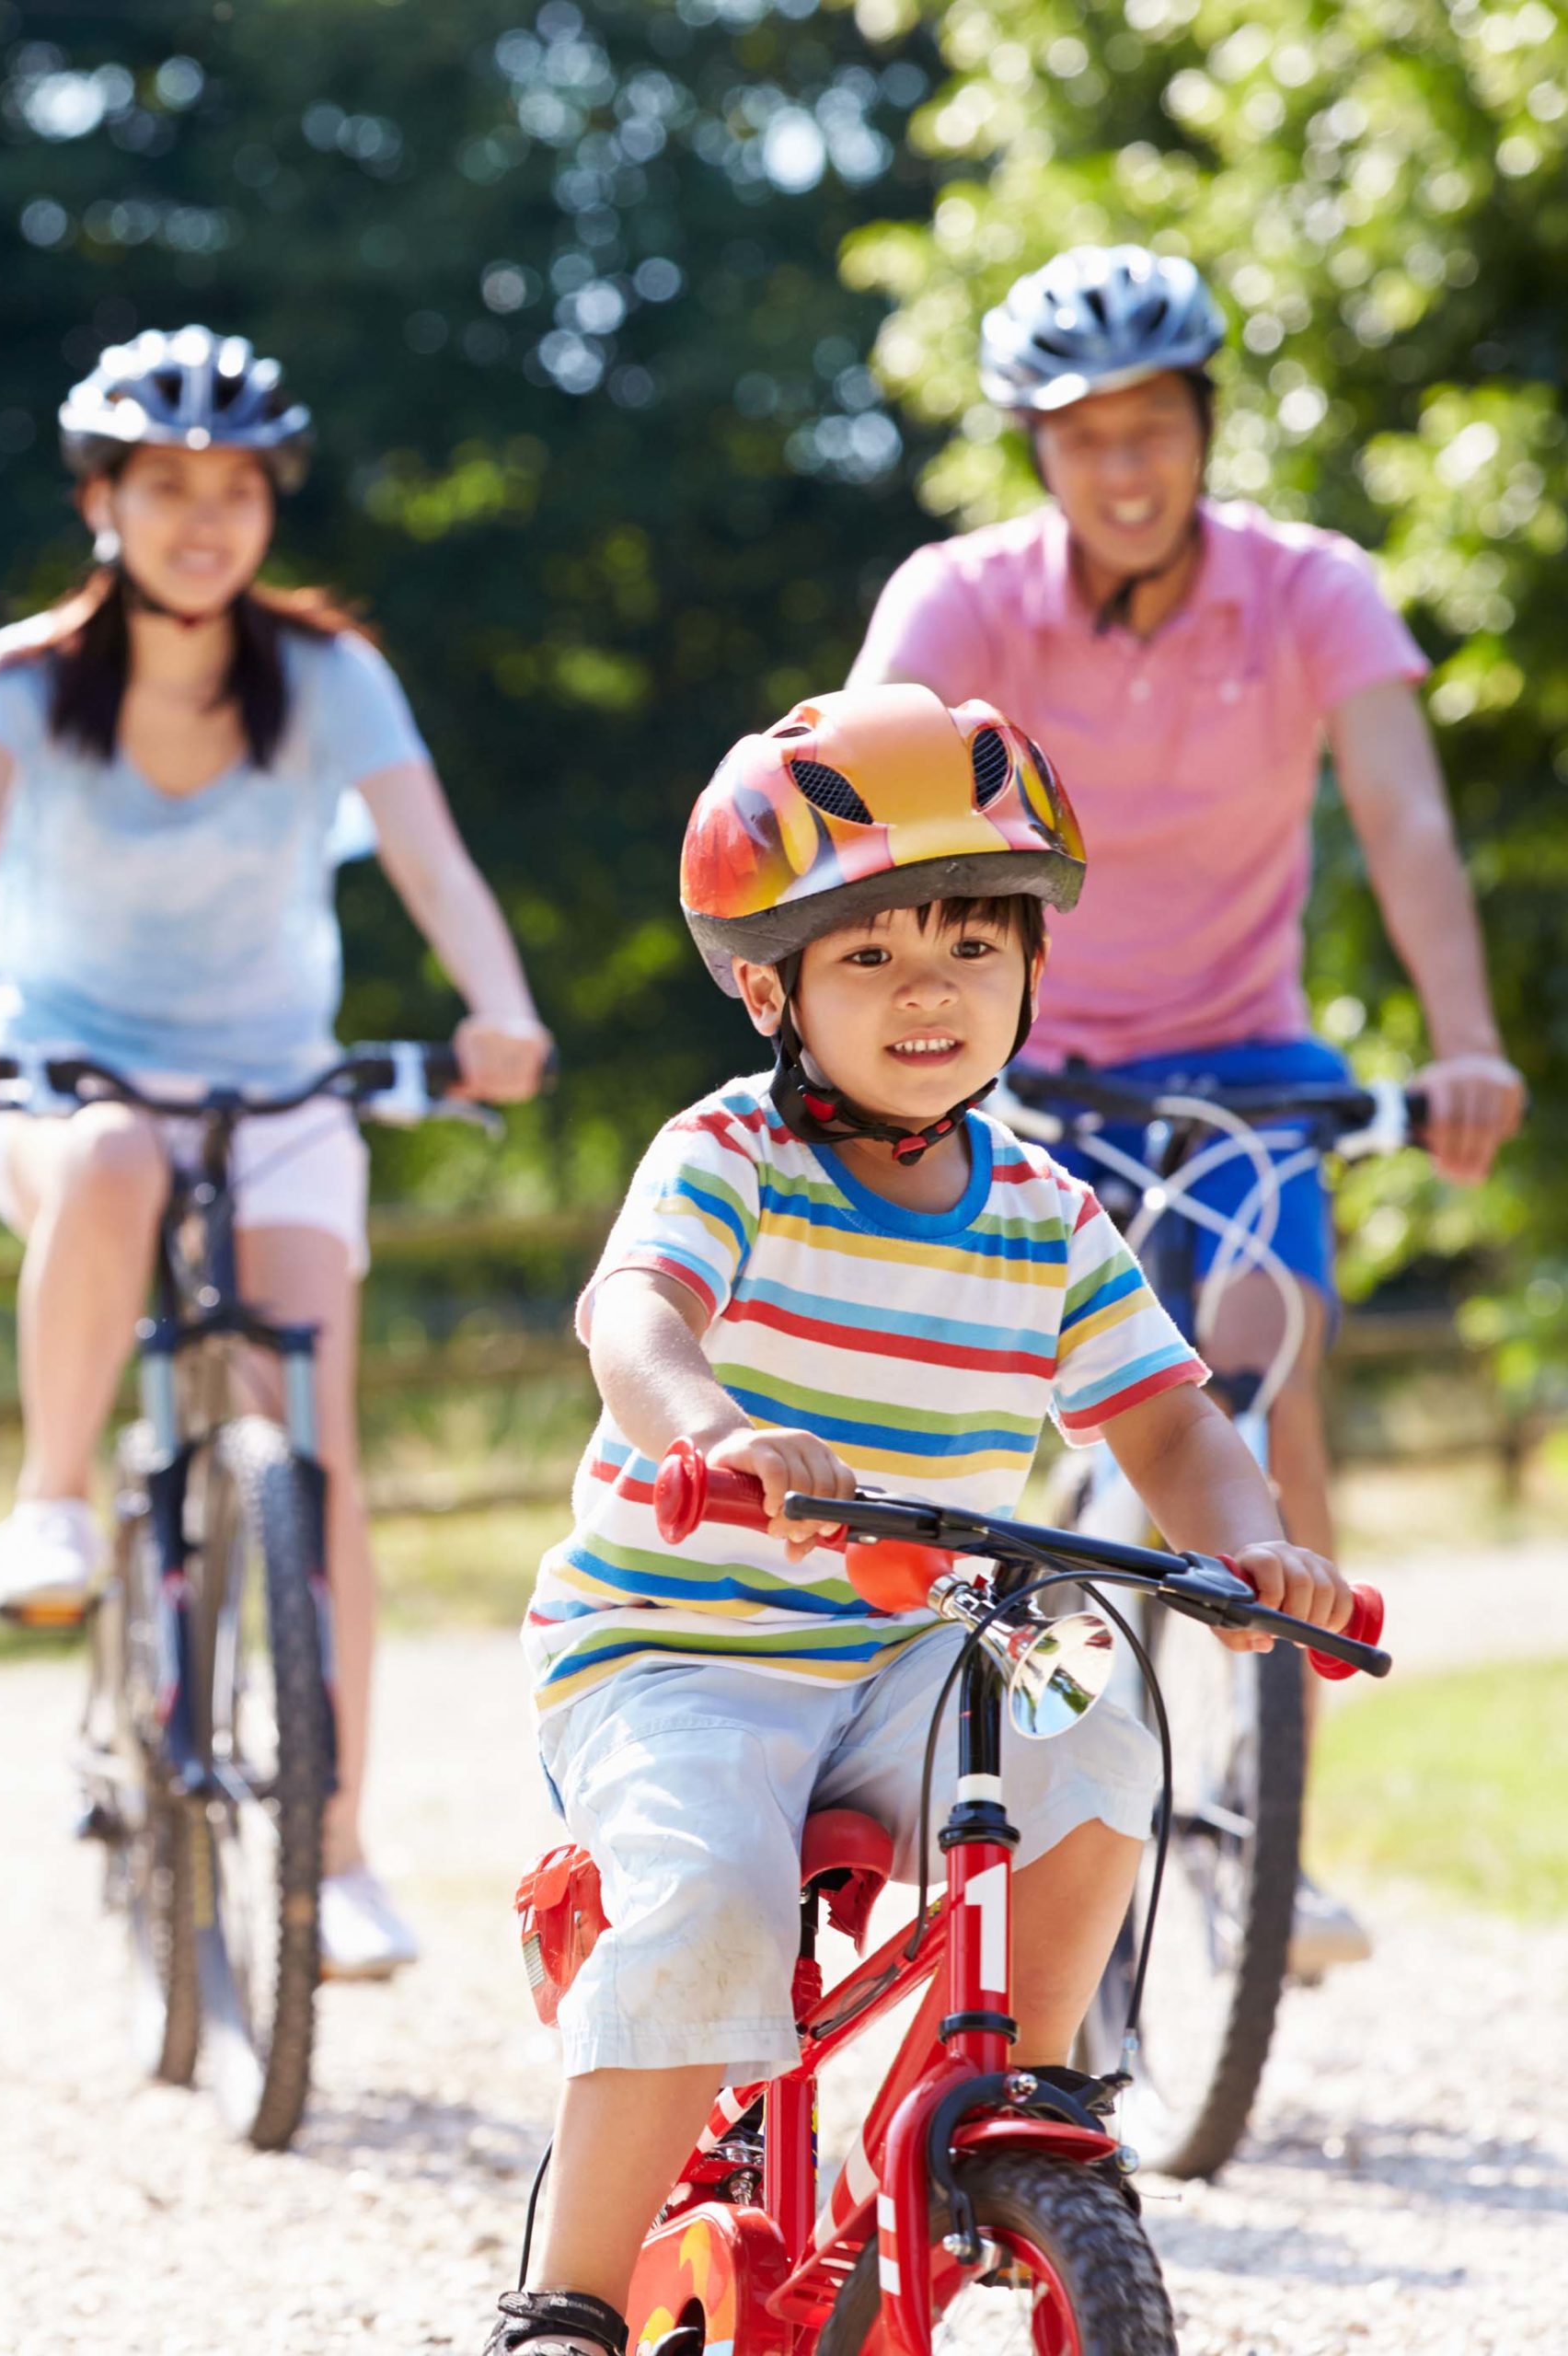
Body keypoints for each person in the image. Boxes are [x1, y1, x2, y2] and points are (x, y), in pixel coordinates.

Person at [486, 684, 1354, 2356]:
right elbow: (633, 1320)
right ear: (771, 987)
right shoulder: (727, 1153)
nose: (929, 990)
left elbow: (1171, 1414)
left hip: (915, 1647)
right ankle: (568, 2302)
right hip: (682, 1651)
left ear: (1034, 968)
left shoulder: (1045, 1210)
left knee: (1098, 1714)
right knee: (708, 1904)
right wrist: (718, 1431)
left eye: (971, 945)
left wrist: (1249, 1544)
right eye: (869, 955)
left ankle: (1014, 2091)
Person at [848, 244, 1525, 1974]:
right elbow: (866, 799)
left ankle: (1258, 1817)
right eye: (1086, 437)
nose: (1126, 468)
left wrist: (1462, 1039)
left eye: (1155, 427)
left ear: (1206, 428)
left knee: (1258, 1345)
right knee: (1017, 1432)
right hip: (1023, 1063)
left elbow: (1408, 827)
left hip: (1242, 1059)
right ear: (1036, 451)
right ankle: (1042, 1765)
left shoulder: (1310, 591)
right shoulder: (964, 597)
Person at [0, 325, 552, 1980]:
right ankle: (50, 1503)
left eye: (236, 490)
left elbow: (436, 865)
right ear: (102, 500)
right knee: (111, 1162)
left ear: (270, 508)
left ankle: (333, 1855)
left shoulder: (328, 676)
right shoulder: (20, 682)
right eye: (165, 486)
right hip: (63, 1081)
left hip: (277, 1095)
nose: (204, 519)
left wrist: (500, 1006)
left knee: (306, 1445)